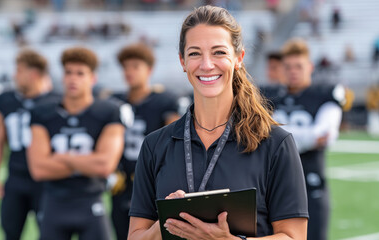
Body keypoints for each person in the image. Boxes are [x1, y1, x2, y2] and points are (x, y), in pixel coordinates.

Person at [128, 5, 308, 240]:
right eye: (194, 53)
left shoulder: (275, 143)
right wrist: (164, 224)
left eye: (218, 52)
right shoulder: (154, 145)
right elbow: (135, 237)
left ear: (238, 58)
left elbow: (294, 237)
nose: (206, 65)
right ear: (183, 61)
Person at [27, 47, 126, 240]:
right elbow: (39, 169)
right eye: (68, 73)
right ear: (62, 76)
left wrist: (63, 158)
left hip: (90, 201)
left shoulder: (108, 112)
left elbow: (105, 166)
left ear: (93, 78)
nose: (73, 78)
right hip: (54, 202)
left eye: (80, 73)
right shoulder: (43, 113)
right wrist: (87, 163)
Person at [271, 38, 347, 240]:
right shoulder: (268, 97)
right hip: (274, 188)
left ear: (310, 67)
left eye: (298, 66)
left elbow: (323, 136)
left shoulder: (323, 95)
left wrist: (276, 138)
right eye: (287, 67)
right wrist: (305, 137)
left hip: (311, 185)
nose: (293, 71)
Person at [110, 43, 181, 240]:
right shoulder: (114, 102)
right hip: (121, 182)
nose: (129, 72)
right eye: (125, 67)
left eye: (135, 66)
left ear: (148, 69)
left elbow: (174, 144)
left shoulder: (164, 101)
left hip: (151, 180)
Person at [0, 49, 60, 240]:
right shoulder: (6, 100)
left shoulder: (55, 102)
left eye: (19, 70)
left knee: (49, 233)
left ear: (33, 74)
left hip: (45, 181)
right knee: (9, 232)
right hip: (15, 177)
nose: (14, 75)